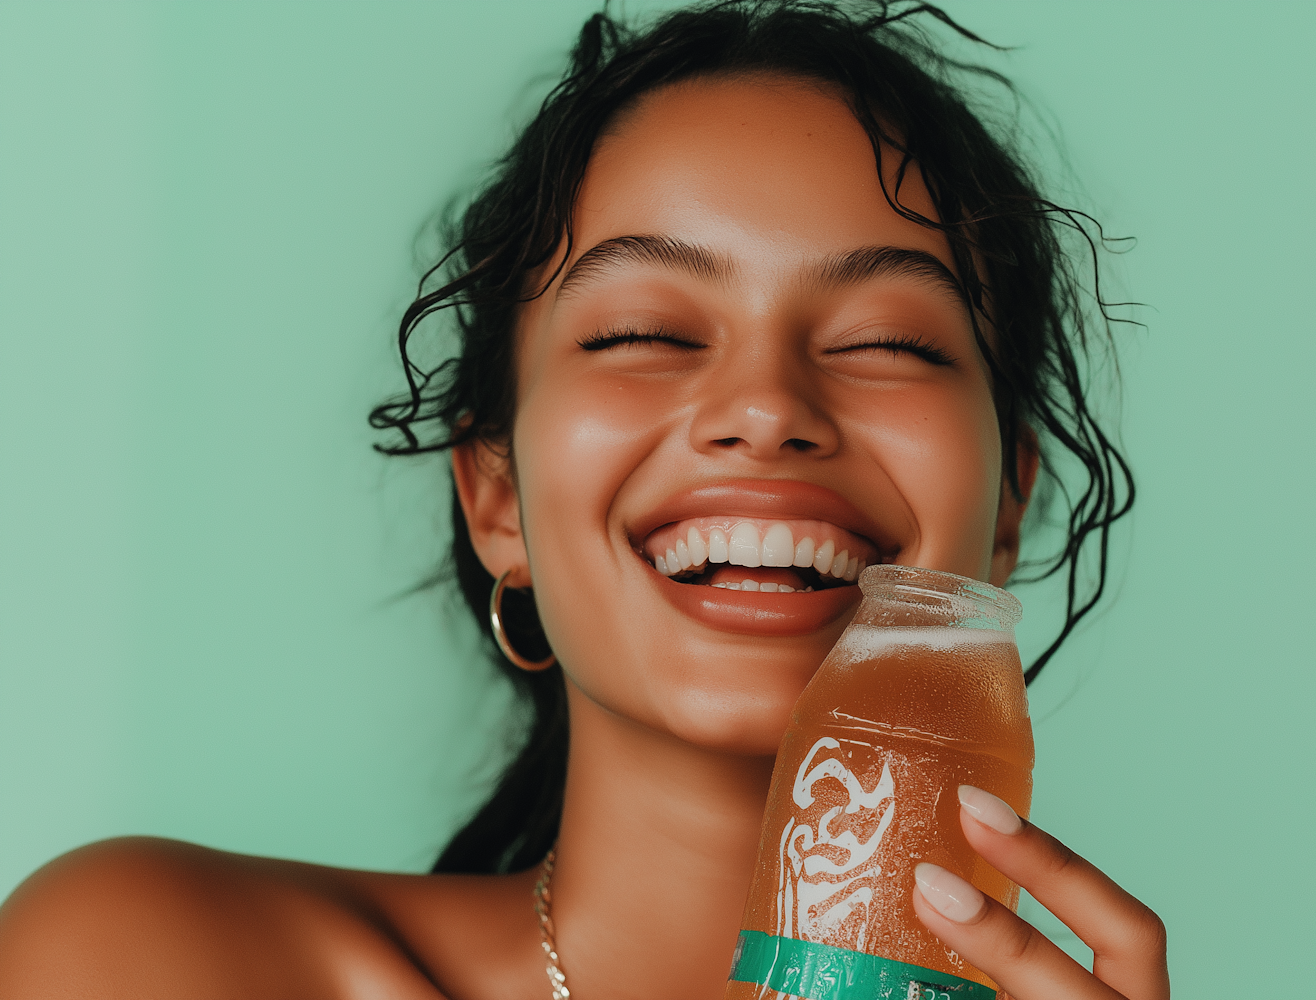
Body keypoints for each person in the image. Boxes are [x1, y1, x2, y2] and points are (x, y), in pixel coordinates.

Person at [0, 2, 1163, 997]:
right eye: (645, 331)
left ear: (1007, 512)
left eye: (885, 341)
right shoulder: (140, 956)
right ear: (496, 501)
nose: (765, 408)